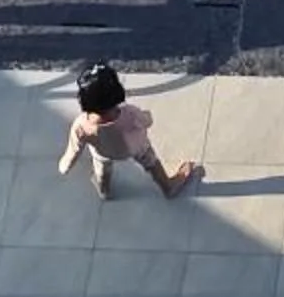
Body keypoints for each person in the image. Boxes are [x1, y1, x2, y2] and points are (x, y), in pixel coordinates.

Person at [56, 63, 201, 201]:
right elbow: (147, 121)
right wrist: (147, 115)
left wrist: (65, 166)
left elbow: (74, 150)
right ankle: (168, 187)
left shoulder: (81, 125)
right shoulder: (130, 114)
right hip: (137, 148)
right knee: (151, 162)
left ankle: (104, 191)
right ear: (117, 93)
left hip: (104, 153)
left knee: (101, 168)